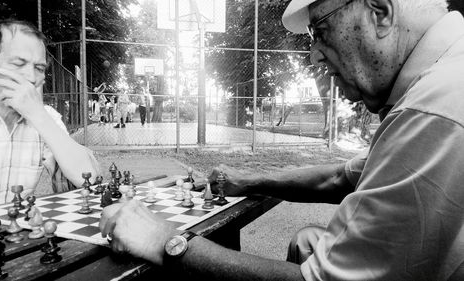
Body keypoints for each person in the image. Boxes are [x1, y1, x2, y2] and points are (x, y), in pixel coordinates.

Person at [100, 0, 464, 280]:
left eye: (321, 30)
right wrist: (251, 180)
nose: (314, 55)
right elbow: (343, 178)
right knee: (307, 240)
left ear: (380, 12)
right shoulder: (444, 72)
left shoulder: (433, 107)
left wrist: (165, 241)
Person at [0, 20, 100, 212]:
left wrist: (37, 115)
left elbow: (89, 179)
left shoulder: (44, 118)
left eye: (39, 68)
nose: (31, 77)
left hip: (17, 235)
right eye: (18, 64)